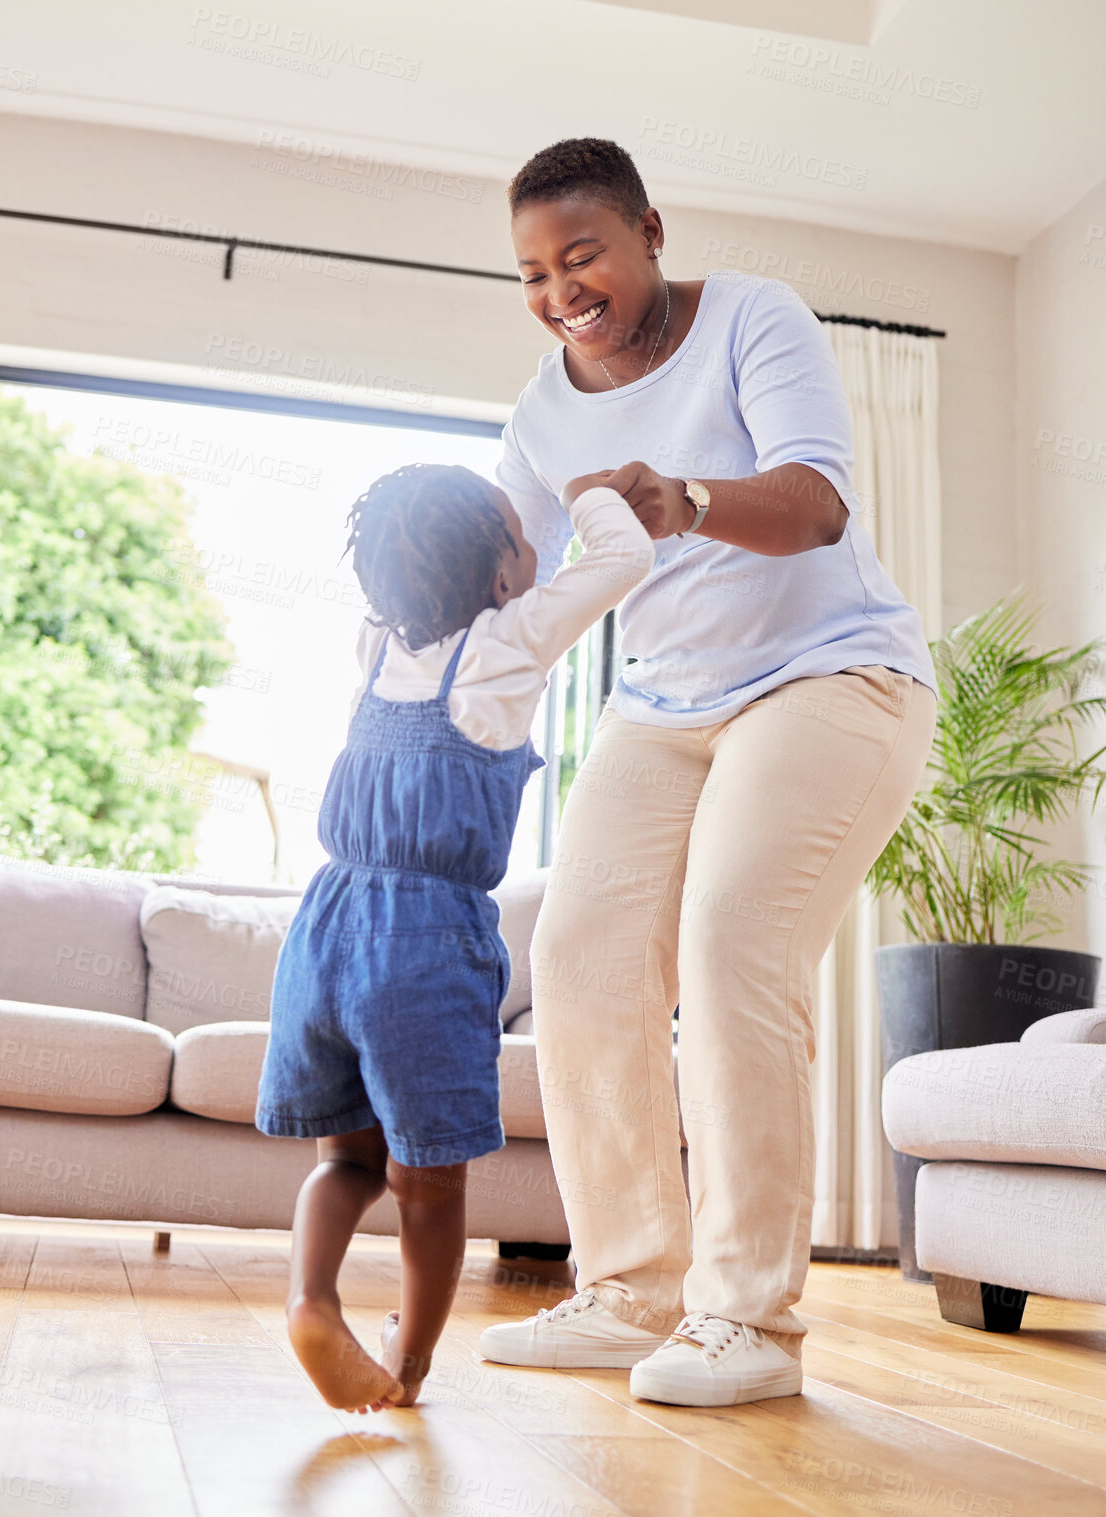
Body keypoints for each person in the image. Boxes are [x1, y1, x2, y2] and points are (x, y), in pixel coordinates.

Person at [478, 138, 939, 1407]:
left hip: (831, 675)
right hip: (663, 700)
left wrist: (679, 498)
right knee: (579, 953)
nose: (562, 289)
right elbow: (508, 569)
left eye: (583, 255)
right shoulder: (542, 403)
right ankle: (632, 1291)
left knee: (735, 939)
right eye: (531, 271)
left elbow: (814, 505)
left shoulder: (751, 317)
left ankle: (752, 1320)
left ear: (648, 234)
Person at [255, 461, 655, 1412]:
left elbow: (451, 565)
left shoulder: (373, 644)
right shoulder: (504, 647)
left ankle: (312, 1298)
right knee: (427, 1185)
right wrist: (594, 489)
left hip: (325, 926)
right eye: (522, 539)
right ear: (500, 578)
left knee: (344, 1163)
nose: (537, 547)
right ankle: (408, 1366)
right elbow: (624, 557)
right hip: (423, 942)